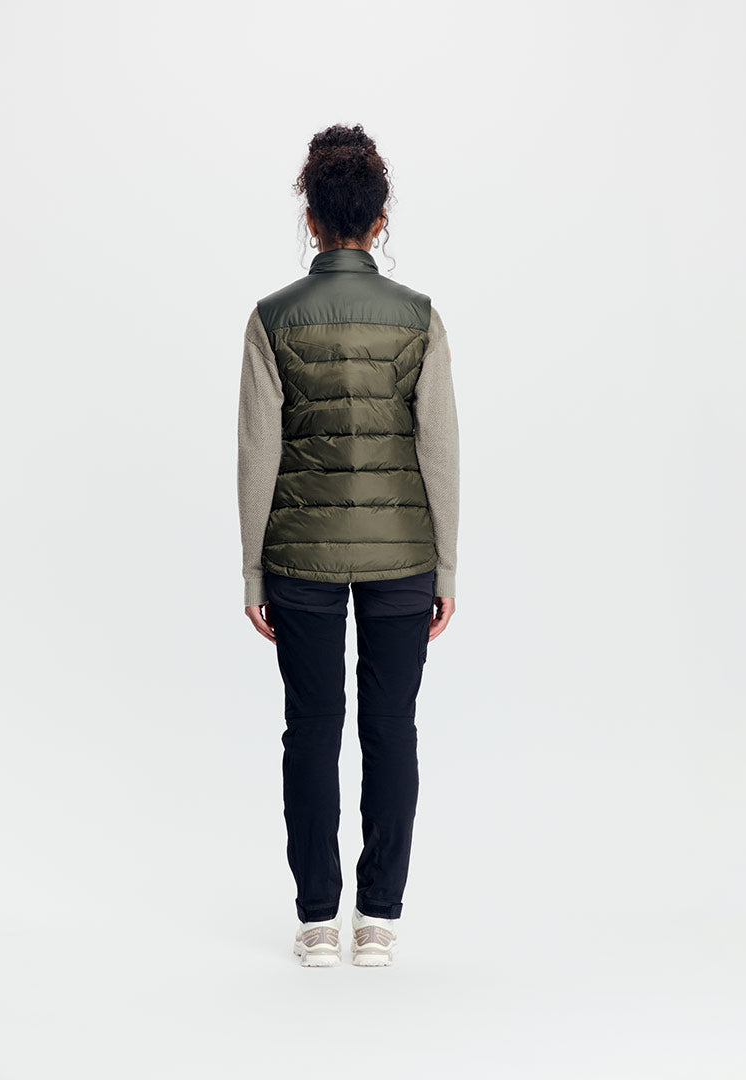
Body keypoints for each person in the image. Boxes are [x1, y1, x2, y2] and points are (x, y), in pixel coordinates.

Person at [236, 123, 460, 967]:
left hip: (300, 554)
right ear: (380, 218)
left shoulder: (273, 319)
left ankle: (317, 923)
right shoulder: (419, 318)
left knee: (311, 729)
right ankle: (378, 922)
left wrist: (253, 570)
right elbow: (439, 447)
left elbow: (258, 451)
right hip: (404, 555)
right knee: (391, 728)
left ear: (312, 217)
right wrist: (446, 565)